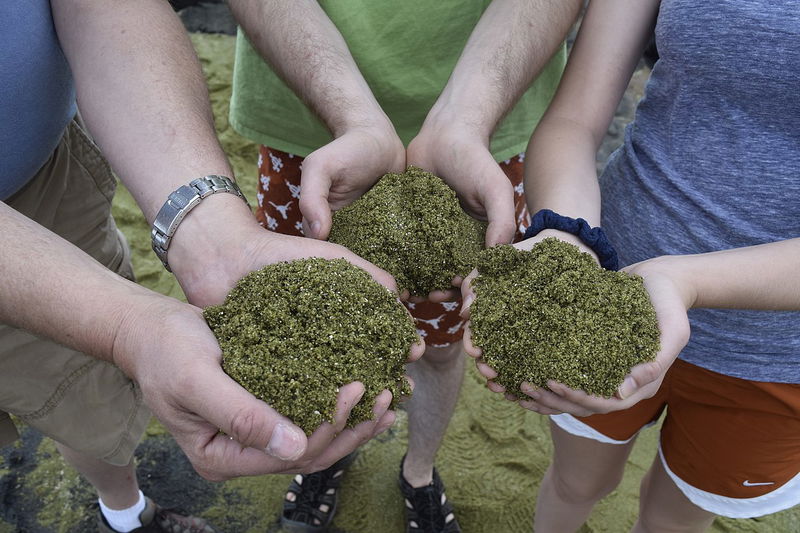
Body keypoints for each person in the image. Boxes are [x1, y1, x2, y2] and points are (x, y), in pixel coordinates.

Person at [0, 2, 423, 532]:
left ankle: (126, 511)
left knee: (82, 394)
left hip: (40, 170)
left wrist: (212, 234)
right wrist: (124, 325)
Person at [226, 1, 582, 531]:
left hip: (484, 137)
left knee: (439, 348)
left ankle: (419, 472)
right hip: (306, 128)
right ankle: (329, 452)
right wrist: (353, 115)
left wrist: (465, 120)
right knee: (319, 327)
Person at [462, 1, 800, 531]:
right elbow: (574, 119)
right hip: (608, 289)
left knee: (673, 520)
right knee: (577, 482)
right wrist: (566, 235)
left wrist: (684, 280)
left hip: (775, 358)